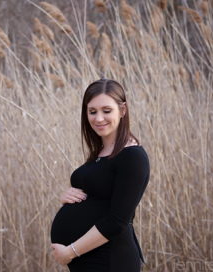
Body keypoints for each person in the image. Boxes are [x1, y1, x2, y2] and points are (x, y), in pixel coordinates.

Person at [50, 79, 150, 271]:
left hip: (110, 260)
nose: (98, 118)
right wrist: (68, 198)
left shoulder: (132, 156)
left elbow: (117, 221)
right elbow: (98, 197)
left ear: (123, 110)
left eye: (106, 110)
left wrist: (70, 252)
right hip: (89, 258)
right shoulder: (103, 151)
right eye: (92, 111)